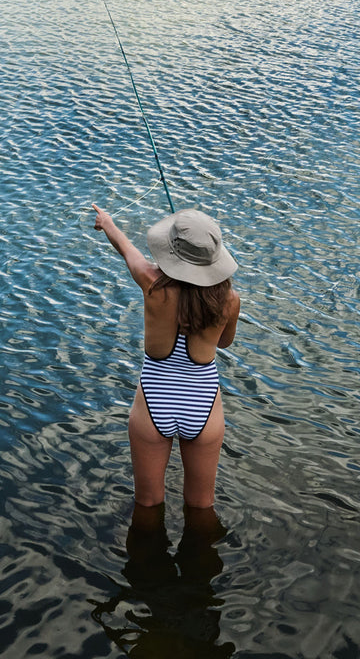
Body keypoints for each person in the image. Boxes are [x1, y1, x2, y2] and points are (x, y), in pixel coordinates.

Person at [92, 205, 241, 509]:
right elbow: (224, 343)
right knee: (202, 505)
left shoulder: (152, 284)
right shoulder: (229, 300)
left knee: (147, 503)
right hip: (203, 406)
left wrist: (107, 223)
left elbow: (126, 249)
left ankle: (147, 554)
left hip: (154, 405)